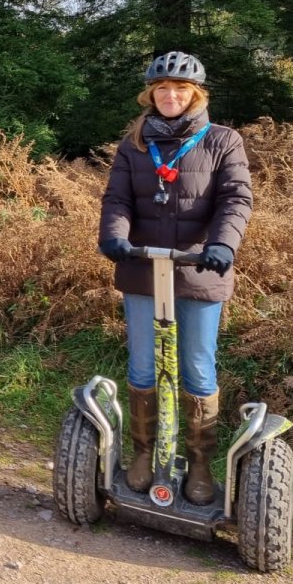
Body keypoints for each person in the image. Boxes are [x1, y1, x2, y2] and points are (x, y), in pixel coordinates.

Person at [98, 51, 253, 505]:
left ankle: (199, 463)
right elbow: (117, 199)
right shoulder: (135, 142)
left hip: (200, 270)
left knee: (197, 369)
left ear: (195, 94)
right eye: (162, 89)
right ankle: (145, 453)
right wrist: (113, 237)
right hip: (143, 269)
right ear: (151, 94)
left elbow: (235, 199)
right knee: (144, 366)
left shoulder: (223, 140)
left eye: (180, 89)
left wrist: (223, 245)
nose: (171, 95)